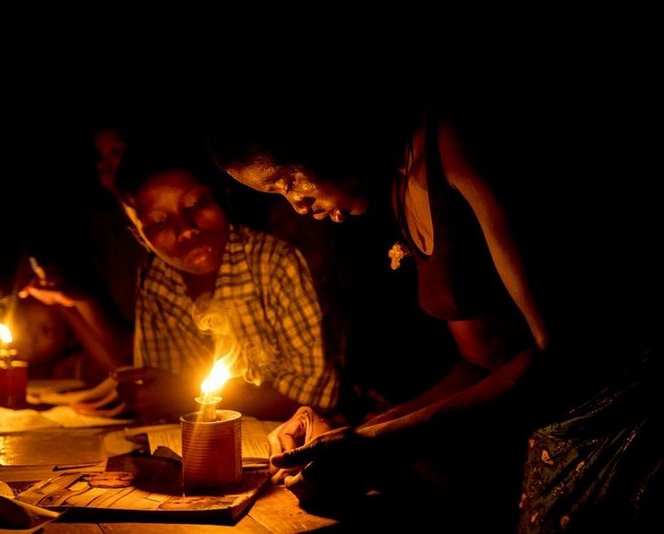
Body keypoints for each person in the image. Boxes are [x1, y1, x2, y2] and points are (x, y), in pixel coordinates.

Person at [205, 102, 594, 526]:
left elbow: (561, 355)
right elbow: (482, 361)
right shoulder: (398, 182)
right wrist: (350, 436)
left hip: (601, 430)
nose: (297, 204)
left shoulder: (451, 144)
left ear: (319, 136)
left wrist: (380, 441)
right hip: (517, 436)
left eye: (288, 180)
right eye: (278, 193)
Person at [44, 137, 340, 422]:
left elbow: (318, 395)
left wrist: (187, 396)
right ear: (141, 238)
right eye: (159, 222)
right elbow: (158, 395)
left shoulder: (273, 263)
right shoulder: (156, 280)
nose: (186, 229)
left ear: (220, 199)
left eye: (197, 204)